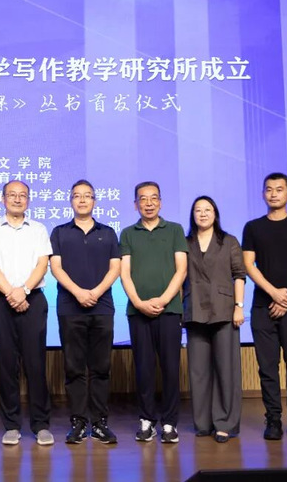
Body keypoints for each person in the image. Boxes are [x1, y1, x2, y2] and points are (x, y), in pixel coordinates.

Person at [0, 180, 54, 446]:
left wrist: (24, 290)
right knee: (7, 365)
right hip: (1, 301)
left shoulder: (39, 229)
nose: (18, 199)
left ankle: (41, 424)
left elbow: (42, 263)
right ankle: (11, 425)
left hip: (33, 299)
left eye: (23, 195)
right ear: (3, 199)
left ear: (28, 200)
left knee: (36, 364)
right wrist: (12, 292)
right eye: (12, 195)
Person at [242, 172, 287, 442]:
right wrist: (274, 293)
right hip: (262, 307)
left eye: (279, 189)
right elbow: (248, 265)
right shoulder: (253, 227)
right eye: (269, 189)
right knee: (267, 367)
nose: (274, 194)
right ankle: (273, 420)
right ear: (263, 194)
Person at [50, 180, 121, 445]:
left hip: (102, 307)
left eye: (87, 196)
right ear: (71, 201)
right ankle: (78, 422)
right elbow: (55, 267)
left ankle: (100, 422)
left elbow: (115, 268)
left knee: (101, 367)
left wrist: (96, 292)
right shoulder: (59, 232)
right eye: (77, 196)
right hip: (70, 307)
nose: (82, 200)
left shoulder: (108, 232)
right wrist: (78, 292)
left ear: (94, 201)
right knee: (74, 367)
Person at [119, 181, 188, 444]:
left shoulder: (175, 230)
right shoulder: (128, 233)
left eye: (153, 198)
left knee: (171, 368)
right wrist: (138, 303)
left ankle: (170, 423)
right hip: (138, 312)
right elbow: (124, 273)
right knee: (144, 368)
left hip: (169, 311)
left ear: (160, 201)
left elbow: (181, 270)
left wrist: (164, 299)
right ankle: (146, 420)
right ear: (135, 204)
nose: (148, 203)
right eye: (143, 199)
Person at [183, 196, 246, 443]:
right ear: (193, 215)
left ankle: (224, 423)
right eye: (198, 210)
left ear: (215, 214)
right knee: (198, 371)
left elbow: (239, 275)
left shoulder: (229, 241)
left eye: (207, 209)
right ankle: (203, 423)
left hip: (224, 310)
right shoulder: (185, 242)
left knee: (226, 369)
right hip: (194, 309)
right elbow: (179, 277)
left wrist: (239, 307)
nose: (203, 214)